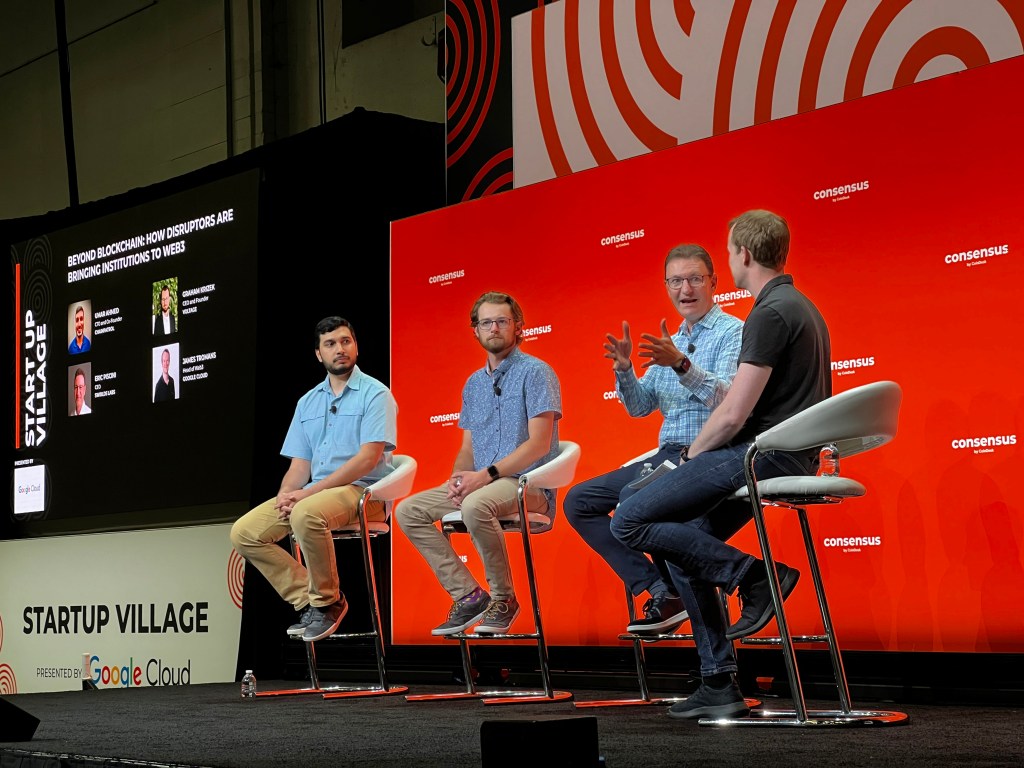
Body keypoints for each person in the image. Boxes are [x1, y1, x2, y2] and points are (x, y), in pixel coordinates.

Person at [611, 210, 831, 720]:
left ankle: (756, 577)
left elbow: (734, 413)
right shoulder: (796, 305)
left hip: (760, 454)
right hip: (776, 451)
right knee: (684, 538)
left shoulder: (768, 313)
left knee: (629, 514)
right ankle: (719, 681)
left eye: (727, 253)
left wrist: (688, 458)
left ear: (743, 255)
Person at [563, 244, 742, 635]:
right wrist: (625, 371)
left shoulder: (733, 332)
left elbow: (728, 399)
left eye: (695, 278)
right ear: (666, 286)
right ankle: (658, 588)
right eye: (676, 281)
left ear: (714, 282)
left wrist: (682, 363)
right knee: (580, 501)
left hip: (707, 456)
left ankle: (708, 649)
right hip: (666, 456)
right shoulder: (669, 338)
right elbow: (641, 406)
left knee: (636, 502)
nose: (686, 289)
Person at [395, 291, 562, 636]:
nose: (495, 328)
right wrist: (459, 476)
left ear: (518, 327)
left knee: (474, 504)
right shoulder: (473, 384)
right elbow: (468, 447)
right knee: (408, 511)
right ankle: (468, 595)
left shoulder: (537, 372)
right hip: (482, 483)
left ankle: (504, 598)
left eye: (503, 321)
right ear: (476, 330)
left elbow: (539, 444)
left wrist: (482, 478)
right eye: (487, 322)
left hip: (526, 485)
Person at [229, 316, 397, 642]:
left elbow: (368, 459)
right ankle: (309, 601)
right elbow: (299, 464)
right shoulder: (307, 402)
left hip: (365, 495)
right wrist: (287, 493)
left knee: (306, 512)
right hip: (316, 495)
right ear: (319, 354)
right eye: (330, 344)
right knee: (245, 532)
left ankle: (328, 601)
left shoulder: (376, 394)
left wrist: (307, 495)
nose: (340, 349)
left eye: (346, 341)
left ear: (356, 346)